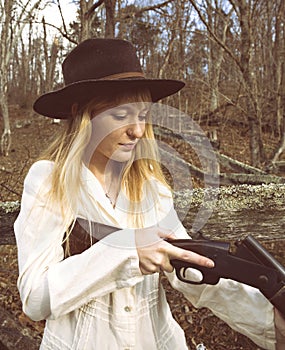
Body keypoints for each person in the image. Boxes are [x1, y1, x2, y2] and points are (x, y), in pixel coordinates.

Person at [14, 38, 284, 350]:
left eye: (142, 115)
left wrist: (271, 325)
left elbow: (194, 273)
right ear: (80, 113)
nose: (138, 131)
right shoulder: (50, 180)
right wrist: (127, 251)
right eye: (120, 116)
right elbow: (35, 298)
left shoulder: (150, 186)